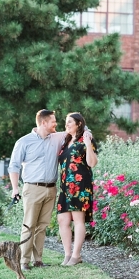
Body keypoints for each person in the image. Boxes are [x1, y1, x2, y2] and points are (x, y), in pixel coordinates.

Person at [8, 109, 69, 271]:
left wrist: (85, 131)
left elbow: (76, 130)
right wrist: (15, 189)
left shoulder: (57, 138)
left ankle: (38, 260)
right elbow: (13, 166)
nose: (56, 124)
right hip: (32, 188)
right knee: (29, 225)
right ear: (43, 123)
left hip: (51, 189)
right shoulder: (24, 142)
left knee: (42, 226)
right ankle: (24, 261)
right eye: (53, 121)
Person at [56, 112, 97, 266]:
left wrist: (87, 143)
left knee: (78, 220)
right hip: (65, 187)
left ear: (79, 124)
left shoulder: (86, 139)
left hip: (80, 186)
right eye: (66, 122)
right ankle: (67, 254)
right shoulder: (65, 140)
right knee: (62, 220)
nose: (66, 125)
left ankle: (76, 255)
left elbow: (92, 163)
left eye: (69, 122)